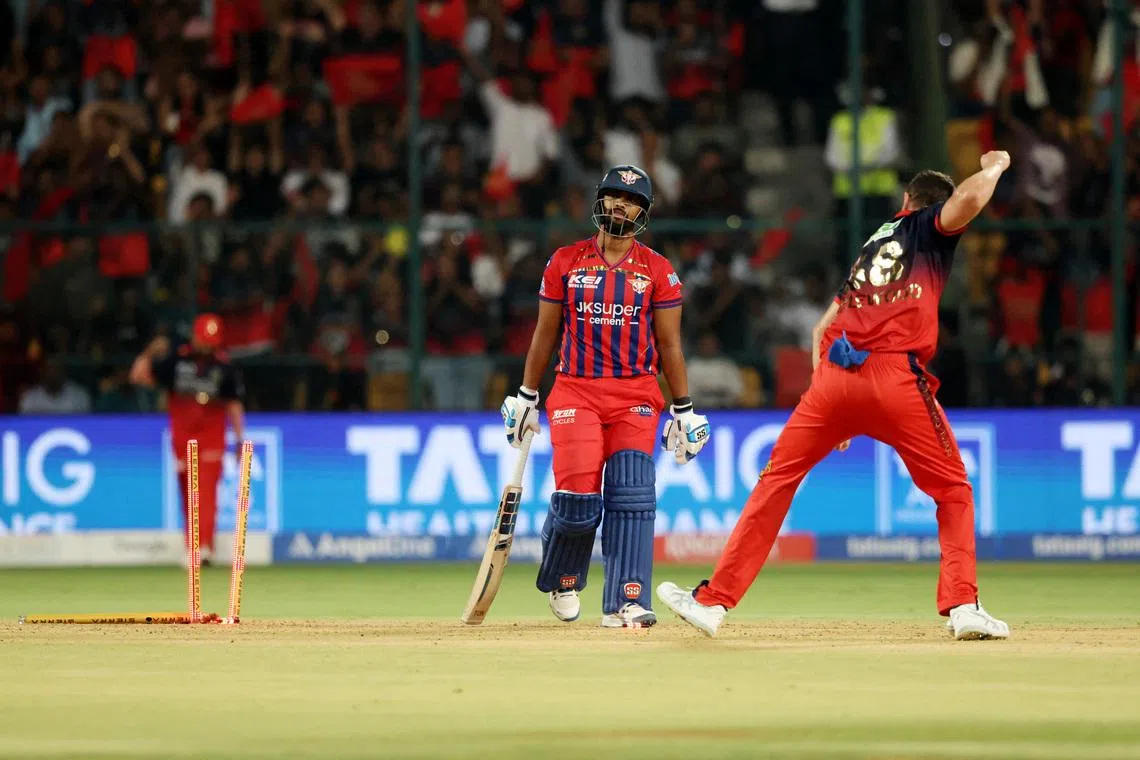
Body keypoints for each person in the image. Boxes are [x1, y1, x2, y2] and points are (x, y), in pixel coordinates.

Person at [657, 152, 1014, 641]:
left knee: (775, 482)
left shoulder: (874, 244)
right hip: (895, 378)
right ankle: (963, 606)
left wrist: (831, 407)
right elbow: (971, 198)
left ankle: (713, 602)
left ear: (904, 199)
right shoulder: (929, 228)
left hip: (834, 380)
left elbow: (822, 329)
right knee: (953, 490)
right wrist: (995, 166)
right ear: (931, 206)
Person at [501, 165, 710, 628]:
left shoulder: (658, 270)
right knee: (577, 500)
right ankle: (563, 576)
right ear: (599, 201)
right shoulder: (564, 261)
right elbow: (544, 334)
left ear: (644, 212)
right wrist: (526, 395)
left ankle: (626, 602)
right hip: (575, 389)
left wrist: (684, 408)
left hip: (636, 393)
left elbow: (671, 346)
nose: (621, 204)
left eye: (631, 199)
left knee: (634, 495)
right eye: (614, 195)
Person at [129, 315, 245, 565]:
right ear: (194, 336)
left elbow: (234, 405)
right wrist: (149, 352)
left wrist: (239, 439)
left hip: (212, 439)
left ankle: (204, 548)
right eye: (203, 340)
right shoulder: (177, 360)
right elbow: (138, 377)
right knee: (188, 494)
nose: (207, 347)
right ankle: (193, 546)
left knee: (206, 492)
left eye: (211, 342)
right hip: (182, 439)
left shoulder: (224, 367)